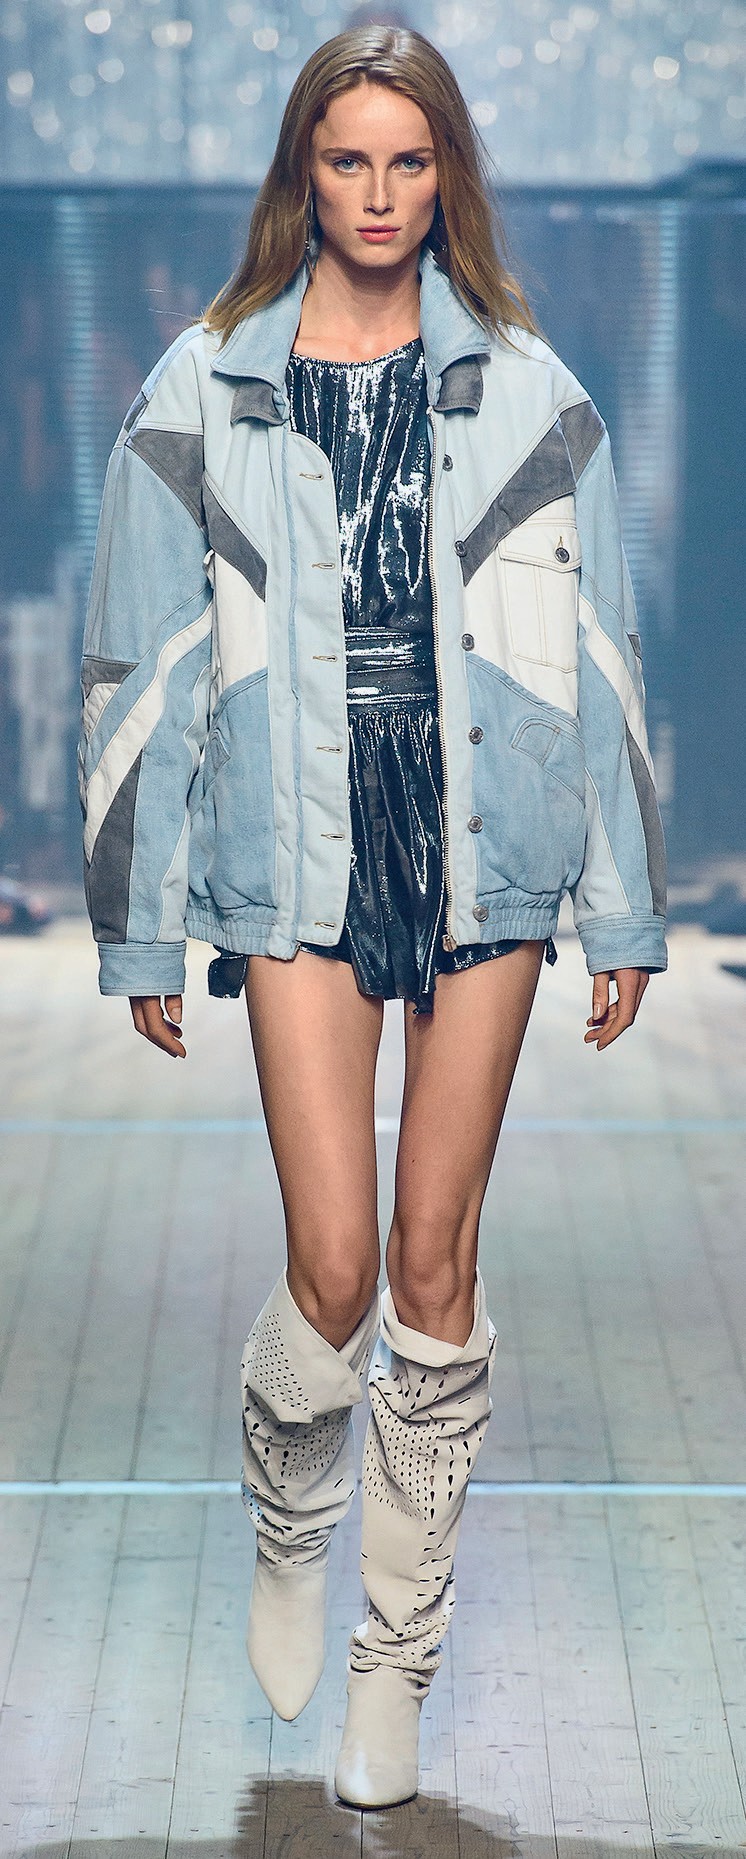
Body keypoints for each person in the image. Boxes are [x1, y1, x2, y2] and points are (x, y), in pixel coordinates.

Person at [78, 25, 668, 1811]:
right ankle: (290, 1512)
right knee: (331, 1269)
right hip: (297, 848)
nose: (381, 194)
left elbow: (605, 656)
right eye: (348, 160)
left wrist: (621, 907)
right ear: (302, 174)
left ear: (447, 177)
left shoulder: (537, 392)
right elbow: (134, 662)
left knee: (431, 1267)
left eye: (411, 162)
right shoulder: (203, 387)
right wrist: (138, 921)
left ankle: (394, 1655)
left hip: (487, 843)